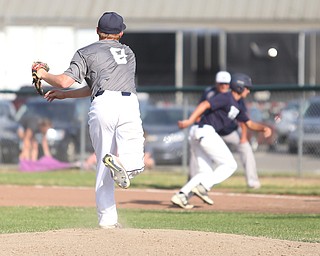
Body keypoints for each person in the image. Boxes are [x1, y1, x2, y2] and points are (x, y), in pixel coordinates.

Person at [34, 12, 145, 228]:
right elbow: (93, 85)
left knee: (103, 165)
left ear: (97, 30)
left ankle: (108, 221)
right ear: (121, 32)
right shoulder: (129, 53)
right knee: (135, 162)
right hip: (129, 104)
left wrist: (43, 74)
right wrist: (65, 94)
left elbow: (65, 81)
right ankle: (123, 164)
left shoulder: (86, 52)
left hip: (103, 105)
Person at [171, 73, 272, 209]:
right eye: (247, 88)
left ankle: (181, 195)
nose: (249, 91)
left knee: (205, 172)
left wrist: (264, 128)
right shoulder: (226, 97)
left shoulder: (239, 104)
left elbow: (249, 124)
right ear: (240, 87)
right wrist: (190, 120)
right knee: (230, 165)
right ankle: (204, 187)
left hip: (199, 133)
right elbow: (205, 104)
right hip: (205, 131)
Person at [188, 71, 261, 189]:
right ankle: (193, 181)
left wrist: (243, 137)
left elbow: (244, 119)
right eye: (221, 83)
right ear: (216, 83)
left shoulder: (235, 96)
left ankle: (252, 181)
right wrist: (193, 121)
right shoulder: (209, 93)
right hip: (210, 130)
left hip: (229, 131)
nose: (224, 86)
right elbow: (202, 107)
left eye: (226, 84)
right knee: (196, 153)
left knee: (245, 148)